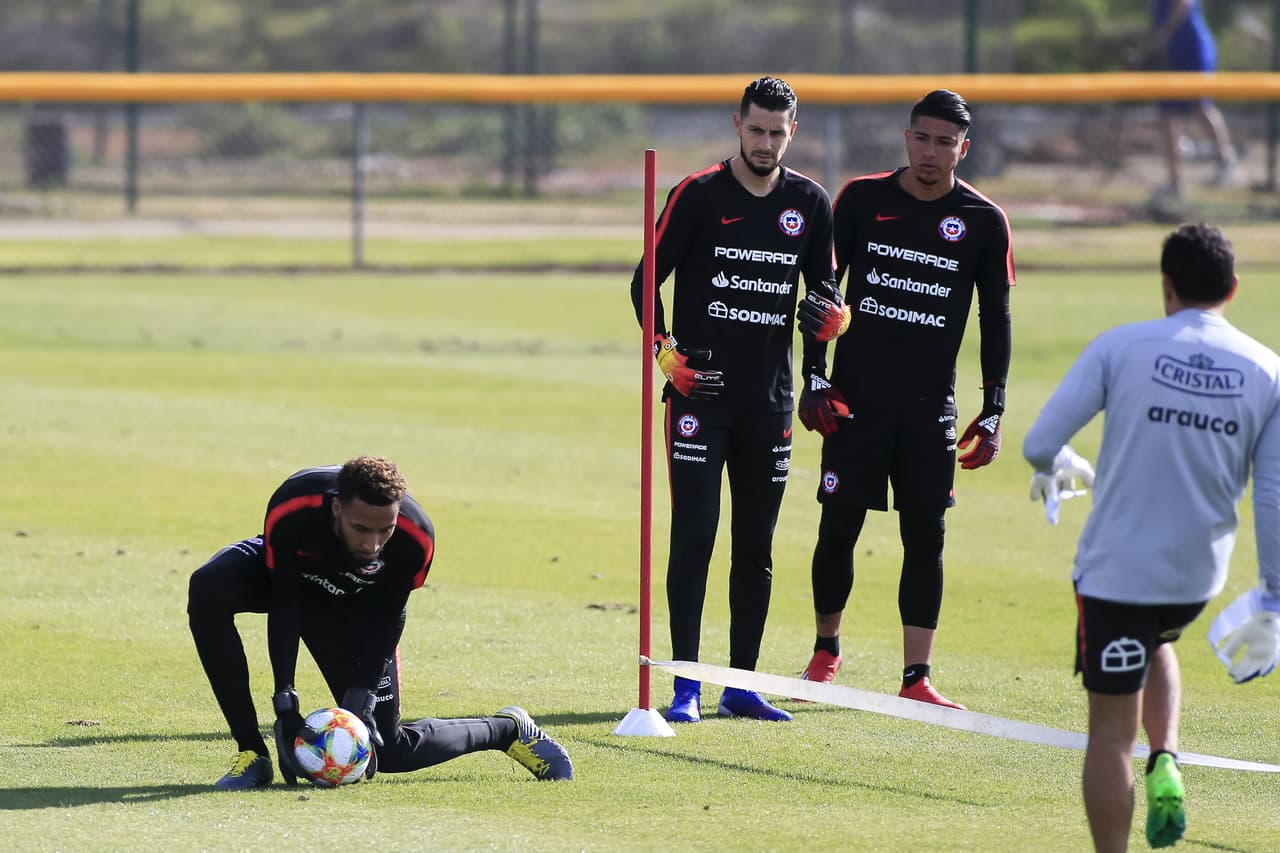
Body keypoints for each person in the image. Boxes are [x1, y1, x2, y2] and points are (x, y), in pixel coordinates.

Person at [1022, 223, 1280, 851]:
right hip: (1195, 579)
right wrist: (1274, 595)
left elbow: (1037, 446)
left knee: (1109, 735)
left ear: (1166, 287)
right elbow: (1272, 493)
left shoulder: (1122, 346)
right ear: (1234, 288)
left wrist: (1063, 465)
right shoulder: (1268, 370)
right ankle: (1166, 755)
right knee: (1158, 637)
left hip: (1117, 573)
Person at [794, 89, 1013, 710]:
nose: (932, 152)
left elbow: (995, 319)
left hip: (928, 409)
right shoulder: (861, 199)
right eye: (923, 138)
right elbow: (822, 295)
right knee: (838, 526)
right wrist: (815, 376)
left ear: (963, 149)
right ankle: (825, 654)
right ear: (907, 138)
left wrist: (993, 407)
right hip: (856, 400)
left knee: (927, 535)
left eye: (946, 142)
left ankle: (916, 677)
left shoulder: (983, 221)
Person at [629, 76, 837, 723]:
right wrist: (666, 351)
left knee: (757, 545)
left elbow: (825, 296)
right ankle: (686, 685)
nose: (766, 142)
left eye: (778, 132)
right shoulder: (698, 194)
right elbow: (644, 281)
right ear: (737, 125)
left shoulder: (810, 201)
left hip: (769, 403)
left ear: (791, 132)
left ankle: (740, 685)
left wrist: (832, 334)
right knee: (695, 535)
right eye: (756, 130)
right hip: (700, 398)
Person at [187, 455, 572, 789]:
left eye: (383, 530)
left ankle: (508, 730)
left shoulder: (414, 537)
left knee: (390, 750)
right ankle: (252, 754)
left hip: (359, 605)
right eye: (361, 529)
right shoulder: (294, 506)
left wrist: (363, 694)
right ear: (337, 508)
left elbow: (390, 614)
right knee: (208, 588)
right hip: (297, 582)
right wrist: (285, 704)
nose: (373, 544)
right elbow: (285, 598)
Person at [1139, 0, 1240, 198]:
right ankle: (1174, 182)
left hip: (1190, 47)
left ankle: (1225, 163)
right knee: (1166, 114)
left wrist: (1163, 36)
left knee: (1199, 104)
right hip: (1171, 52)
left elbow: (1183, 5)